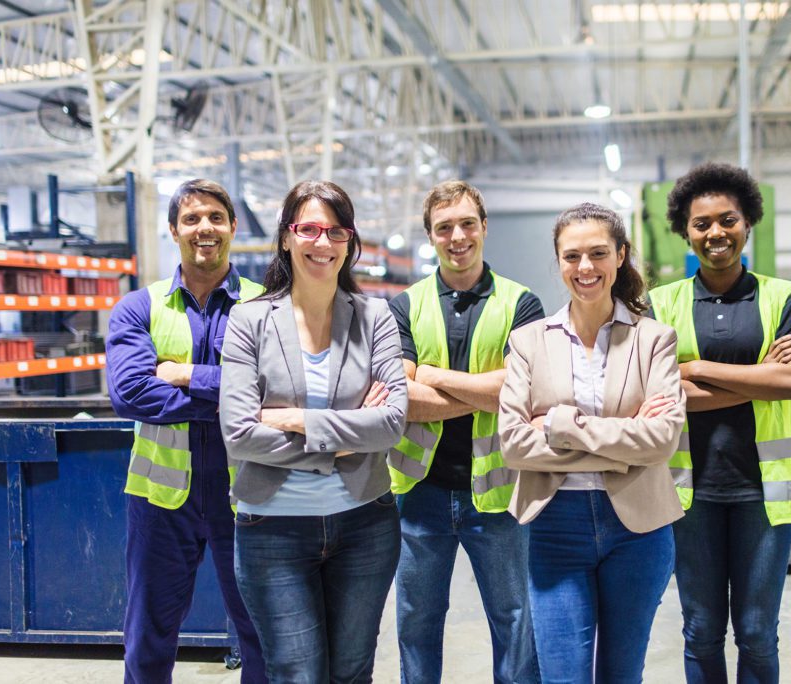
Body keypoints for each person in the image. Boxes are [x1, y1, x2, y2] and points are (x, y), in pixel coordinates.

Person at [219, 180, 407, 683]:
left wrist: (295, 421)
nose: (322, 243)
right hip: (272, 530)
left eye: (336, 231)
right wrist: (345, 441)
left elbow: (390, 422)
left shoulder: (376, 318)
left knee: (351, 671)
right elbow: (239, 434)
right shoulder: (250, 320)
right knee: (296, 673)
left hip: (364, 524)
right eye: (309, 229)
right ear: (286, 238)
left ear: (349, 242)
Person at [497, 202, 686, 683]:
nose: (585, 268)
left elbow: (661, 439)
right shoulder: (528, 342)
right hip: (555, 524)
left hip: (639, 531)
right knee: (563, 676)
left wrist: (560, 424)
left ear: (620, 256)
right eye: (572, 256)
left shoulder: (654, 340)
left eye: (598, 253)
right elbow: (514, 443)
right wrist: (625, 441)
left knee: (623, 674)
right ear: (558, 262)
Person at [648, 162, 791, 684]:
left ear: (747, 223)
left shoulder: (782, 296)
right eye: (702, 224)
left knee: (758, 630)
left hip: (765, 492)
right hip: (688, 491)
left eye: (728, 220)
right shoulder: (662, 302)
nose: (715, 233)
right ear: (685, 231)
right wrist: (758, 374)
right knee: (699, 628)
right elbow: (656, 394)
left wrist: (694, 368)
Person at [106, 179, 267, 684]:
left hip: (249, 495)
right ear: (173, 229)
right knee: (149, 635)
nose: (205, 228)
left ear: (233, 228)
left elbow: (281, 391)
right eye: (193, 218)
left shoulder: (266, 305)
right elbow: (129, 393)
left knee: (262, 633)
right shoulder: (140, 307)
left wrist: (185, 375)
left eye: (216, 217)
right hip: (161, 498)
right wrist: (232, 396)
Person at [387, 180, 544, 684]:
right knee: (416, 621)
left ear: (484, 228)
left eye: (467, 224)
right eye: (444, 227)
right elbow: (401, 399)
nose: (457, 236)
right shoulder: (404, 306)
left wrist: (430, 375)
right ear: (430, 237)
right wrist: (485, 389)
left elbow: (520, 393)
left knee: (515, 620)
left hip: (498, 494)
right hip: (419, 493)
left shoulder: (522, 304)